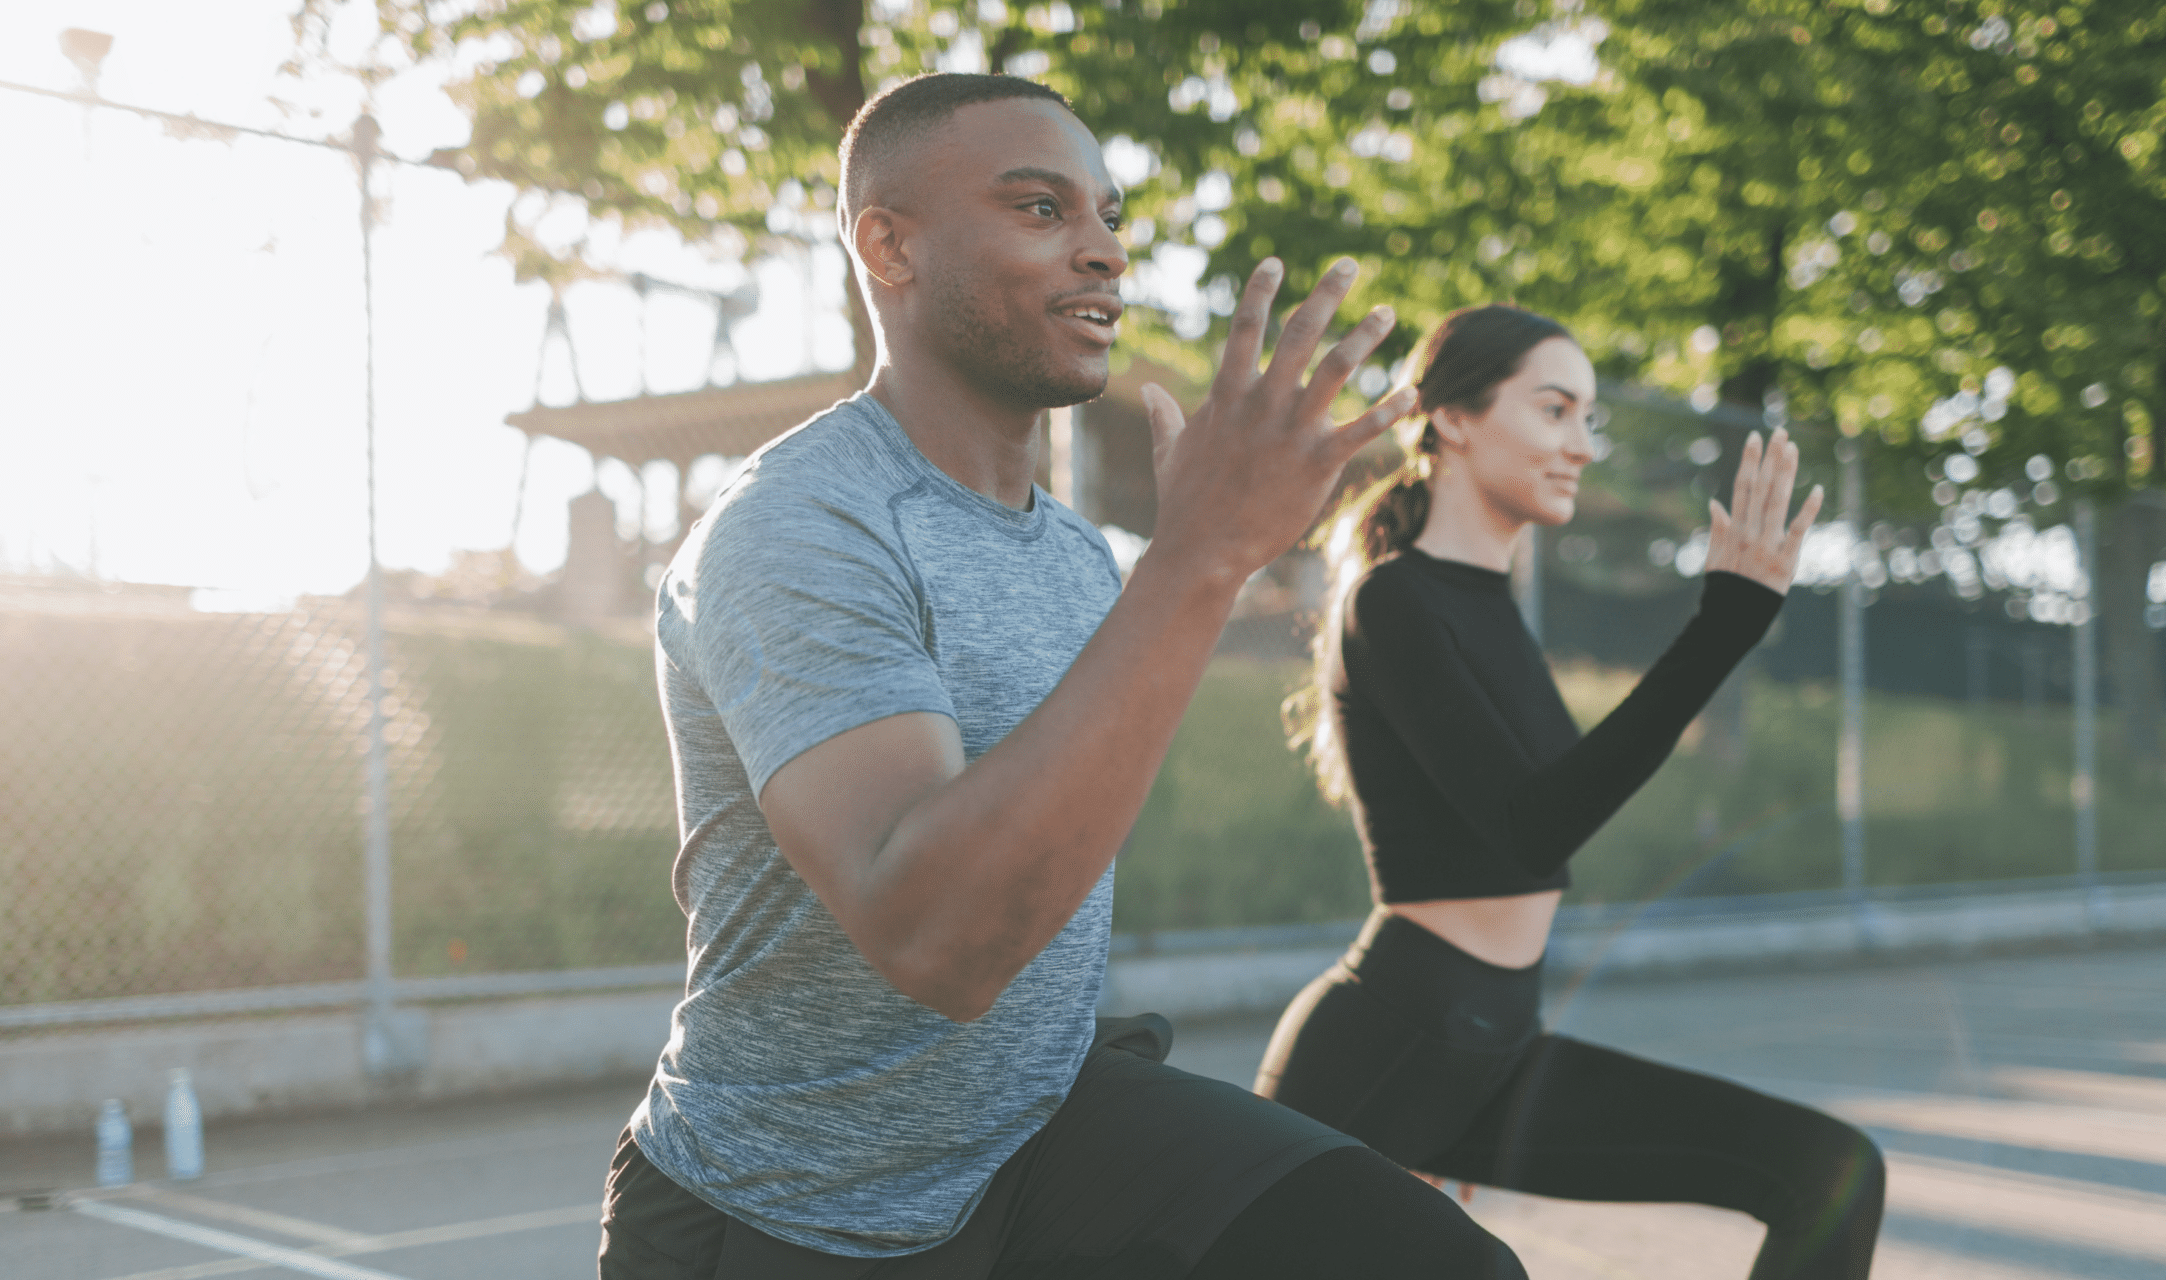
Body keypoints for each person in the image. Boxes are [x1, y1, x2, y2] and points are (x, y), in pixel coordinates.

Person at [597, 73, 1528, 1278]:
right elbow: (939, 942)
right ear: (889, 242)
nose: (1102, 250)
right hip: (795, 1197)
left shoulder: (1079, 555)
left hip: (1034, 1129)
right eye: (1041, 210)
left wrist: (1189, 566)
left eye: (1110, 215)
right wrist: (1201, 558)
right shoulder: (797, 526)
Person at [1254, 304, 1888, 1280]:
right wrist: (1723, 625)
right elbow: (1533, 827)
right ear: (1452, 418)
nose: (1581, 446)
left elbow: (1547, 808)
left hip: (1494, 1044)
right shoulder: (1391, 599)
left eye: (1588, 418)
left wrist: (1729, 621)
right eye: (1554, 410)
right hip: (1384, 1057)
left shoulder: (1485, 604)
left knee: (1829, 1168)